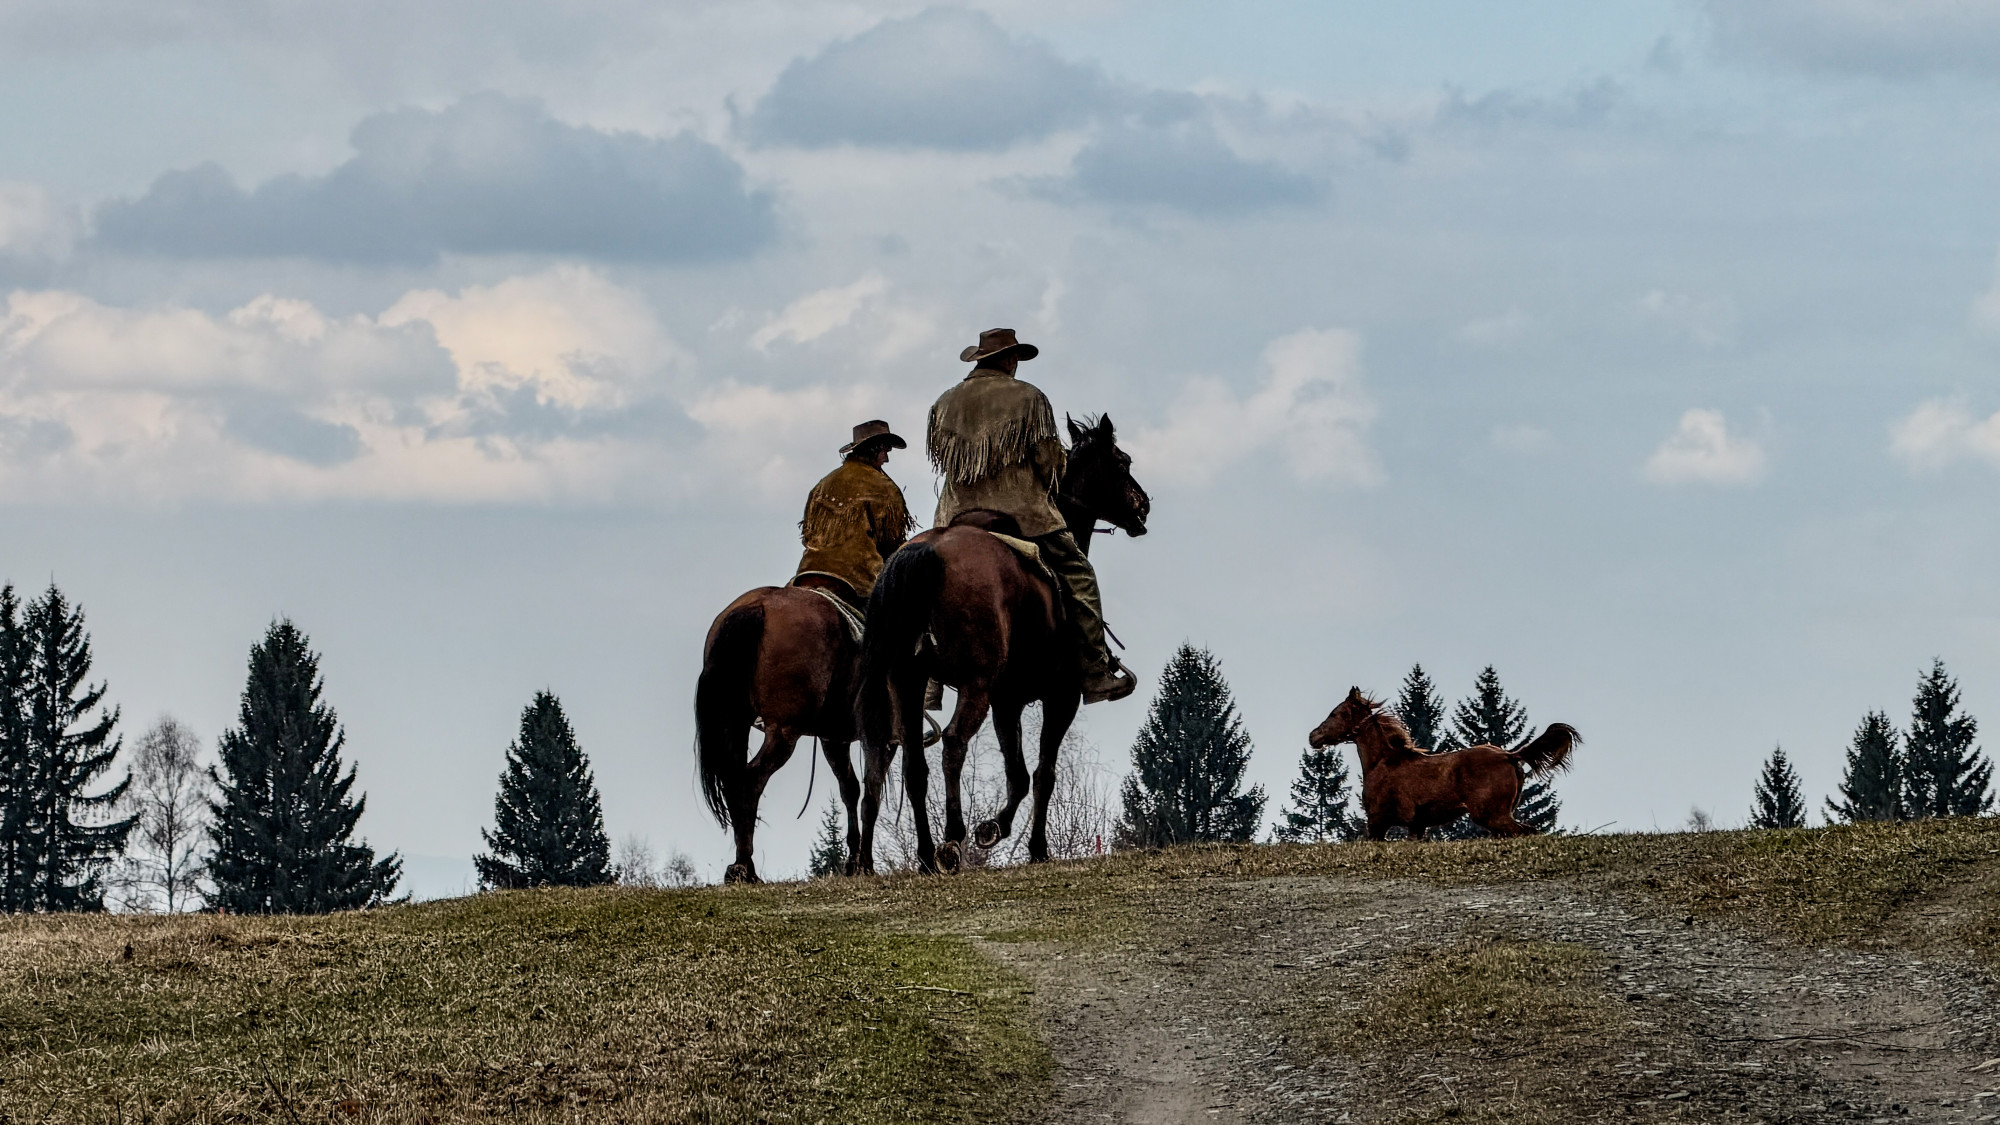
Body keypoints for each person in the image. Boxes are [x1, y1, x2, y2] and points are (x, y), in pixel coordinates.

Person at [927, 328, 1135, 704]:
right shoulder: (1029, 398)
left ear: (979, 359)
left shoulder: (944, 403)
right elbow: (1049, 462)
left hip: (954, 516)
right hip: (1022, 515)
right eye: (1016, 358)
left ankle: (928, 681)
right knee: (1080, 576)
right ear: (1010, 359)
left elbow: (942, 461)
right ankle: (1095, 672)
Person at [792, 420, 913, 610]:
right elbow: (892, 544)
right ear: (874, 449)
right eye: (885, 451)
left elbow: (808, 536)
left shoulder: (822, 485)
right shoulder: (885, 487)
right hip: (858, 580)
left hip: (808, 573)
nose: (887, 459)